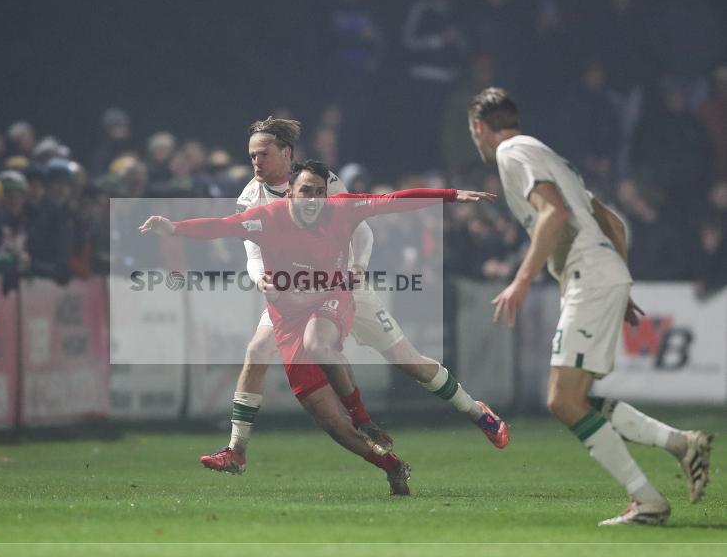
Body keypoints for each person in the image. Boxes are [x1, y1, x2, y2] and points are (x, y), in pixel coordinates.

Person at [141, 159, 496, 494]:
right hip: (288, 315)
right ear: (291, 192)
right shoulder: (263, 214)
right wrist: (173, 229)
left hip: (336, 295)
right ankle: (391, 465)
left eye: (318, 192)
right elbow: (221, 228)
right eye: (305, 191)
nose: (313, 199)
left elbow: (392, 201)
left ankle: (371, 417)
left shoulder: (340, 209)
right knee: (328, 420)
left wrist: (450, 195)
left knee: (338, 347)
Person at [198, 117, 509, 478]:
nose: (256, 163)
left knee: (409, 361)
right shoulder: (249, 198)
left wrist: (357, 266)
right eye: (251, 155)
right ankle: (236, 451)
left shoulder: (321, 182)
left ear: (286, 153)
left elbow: (360, 227)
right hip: (293, 291)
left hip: (343, 285)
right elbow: (252, 256)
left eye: (263, 154)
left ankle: (477, 412)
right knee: (256, 352)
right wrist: (261, 280)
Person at [467, 87, 714, 525]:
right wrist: (621, 284)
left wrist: (522, 281)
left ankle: (649, 500)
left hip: (590, 278)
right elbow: (612, 221)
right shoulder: (550, 157)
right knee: (578, 396)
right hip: (599, 276)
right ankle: (681, 443)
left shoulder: (512, 154)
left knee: (563, 400)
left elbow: (554, 213)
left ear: (479, 127)